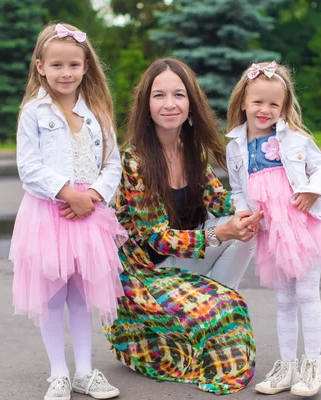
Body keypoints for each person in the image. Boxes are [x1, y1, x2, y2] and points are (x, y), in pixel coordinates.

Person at [103, 57, 263, 394]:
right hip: (143, 276)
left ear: (191, 103)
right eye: (159, 95)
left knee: (246, 229)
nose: (170, 104)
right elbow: (158, 240)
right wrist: (219, 233)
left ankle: (207, 313)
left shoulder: (192, 151)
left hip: (179, 264)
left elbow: (222, 204)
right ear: (146, 105)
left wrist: (262, 206)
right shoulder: (134, 160)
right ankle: (206, 313)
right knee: (226, 298)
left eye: (178, 94)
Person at [9, 22, 125, 400]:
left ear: (86, 67)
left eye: (74, 65)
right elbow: (28, 167)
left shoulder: (97, 113)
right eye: (57, 65)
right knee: (52, 294)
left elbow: (113, 164)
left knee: (80, 294)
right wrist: (65, 193)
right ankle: (58, 372)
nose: (66, 73)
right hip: (50, 213)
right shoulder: (34, 112)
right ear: (40, 66)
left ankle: (85, 372)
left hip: (88, 213)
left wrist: (92, 194)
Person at [225, 61, 321, 397]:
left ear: (284, 107)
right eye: (258, 102)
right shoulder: (234, 144)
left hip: (302, 222)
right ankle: (287, 366)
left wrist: (312, 190)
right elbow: (237, 188)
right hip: (271, 230)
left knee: (307, 293)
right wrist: (243, 212)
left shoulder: (295, 139)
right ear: (243, 102)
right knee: (283, 299)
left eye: (273, 104)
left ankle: (312, 365)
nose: (265, 110)